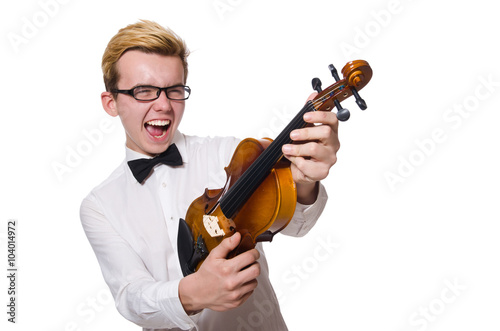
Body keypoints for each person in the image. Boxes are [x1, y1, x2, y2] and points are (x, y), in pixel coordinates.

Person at [80, 19, 340, 331]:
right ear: (111, 103)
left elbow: (295, 225)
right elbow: (130, 296)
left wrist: (305, 181)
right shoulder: (99, 205)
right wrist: (192, 293)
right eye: (144, 91)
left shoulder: (234, 156)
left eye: (173, 90)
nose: (163, 105)